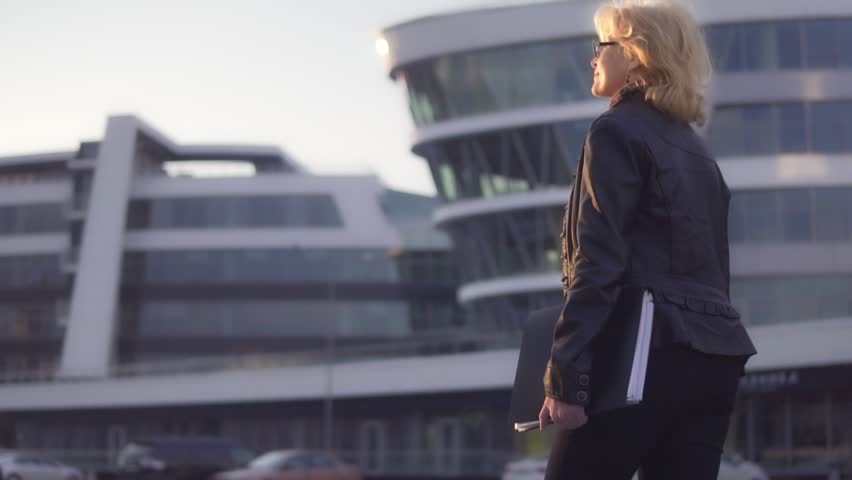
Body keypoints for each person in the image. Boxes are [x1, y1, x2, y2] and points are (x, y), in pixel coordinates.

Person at [538, 1, 758, 479]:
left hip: (641, 356)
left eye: (603, 45)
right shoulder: (698, 151)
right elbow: (715, 274)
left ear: (635, 54)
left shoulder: (614, 132)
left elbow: (599, 264)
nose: (593, 57)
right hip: (713, 361)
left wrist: (567, 377)